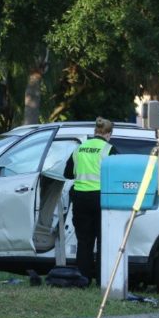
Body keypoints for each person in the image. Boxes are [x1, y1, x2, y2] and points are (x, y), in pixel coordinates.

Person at [64, 117, 118, 285]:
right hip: (101, 199)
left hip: (80, 198)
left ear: (95, 131)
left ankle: (83, 278)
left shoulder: (79, 149)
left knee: (84, 241)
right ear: (108, 134)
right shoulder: (109, 149)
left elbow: (68, 173)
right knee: (103, 240)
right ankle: (102, 280)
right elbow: (118, 174)